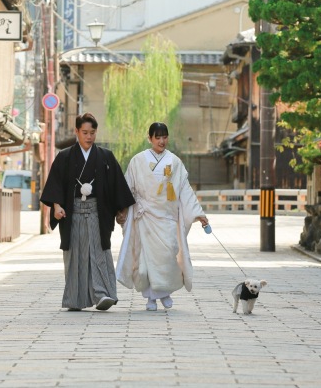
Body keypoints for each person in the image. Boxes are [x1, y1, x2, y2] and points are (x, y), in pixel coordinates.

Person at [40, 112, 135, 311]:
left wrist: (121, 209)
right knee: (75, 256)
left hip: (97, 212)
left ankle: (103, 295)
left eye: (92, 132)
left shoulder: (105, 157)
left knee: (98, 252)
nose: (89, 136)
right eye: (84, 132)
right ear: (76, 132)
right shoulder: (64, 157)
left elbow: (117, 185)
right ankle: (75, 299)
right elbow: (55, 185)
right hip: (72, 212)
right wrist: (57, 207)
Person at [116, 122, 209, 311]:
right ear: (149, 138)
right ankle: (151, 297)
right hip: (145, 217)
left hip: (167, 218)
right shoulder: (137, 161)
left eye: (164, 137)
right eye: (157, 137)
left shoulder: (175, 162)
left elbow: (184, 189)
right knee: (145, 261)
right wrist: (122, 210)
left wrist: (198, 214)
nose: (161, 141)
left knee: (168, 257)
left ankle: (164, 292)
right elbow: (128, 188)